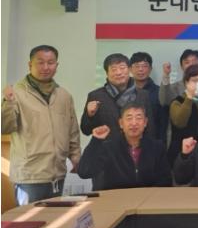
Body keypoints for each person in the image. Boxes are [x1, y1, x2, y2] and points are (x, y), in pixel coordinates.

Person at [1, 45, 81, 205]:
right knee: (29, 219)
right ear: (30, 64)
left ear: (56, 65)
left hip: (58, 174)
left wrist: (75, 156)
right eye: (40, 62)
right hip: (29, 176)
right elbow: (5, 128)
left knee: (55, 218)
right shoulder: (16, 93)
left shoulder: (64, 96)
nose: (46, 67)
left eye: (50, 62)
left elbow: (72, 130)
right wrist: (8, 103)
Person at [80, 53, 154, 189]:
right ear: (107, 73)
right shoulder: (96, 95)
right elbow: (85, 130)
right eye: (114, 69)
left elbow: (150, 129)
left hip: (135, 157)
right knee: (106, 197)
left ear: (129, 70)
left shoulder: (143, 95)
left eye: (122, 68)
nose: (119, 72)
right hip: (105, 159)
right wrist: (90, 115)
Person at [78, 102, 171, 190]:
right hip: (117, 198)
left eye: (138, 118)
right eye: (129, 118)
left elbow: (165, 181)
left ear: (145, 122)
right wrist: (96, 140)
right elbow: (84, 172)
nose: (134, 123)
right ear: (121, 123)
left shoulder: (157, 147)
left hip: (148, 198)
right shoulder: (109, 148)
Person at [167, 64, 198, 166]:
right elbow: (179, 122)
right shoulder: (178, 102)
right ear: (186, 83)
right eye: (194, 80)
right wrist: (189, 97)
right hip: (183, 154)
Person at [130, 51, 168, 143]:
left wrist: (160, 144)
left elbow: (163, 123)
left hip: (153, 142)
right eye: (137, 66)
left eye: (144, 66)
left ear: (150, 69)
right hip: (127, 142)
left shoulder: (159, 92)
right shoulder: (125, 92)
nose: (140, 69)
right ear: (130, 69)